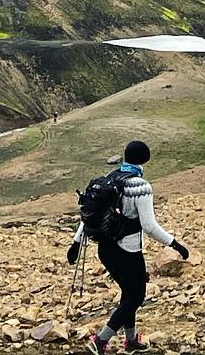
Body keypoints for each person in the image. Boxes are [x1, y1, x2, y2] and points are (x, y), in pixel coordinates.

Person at [69, 140, 189, 354]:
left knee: (128, 293)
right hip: (128, 250)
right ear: (145, 159)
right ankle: (100, 341)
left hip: (105, 248)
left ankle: (131, 339)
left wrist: (76, 243)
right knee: (136, 297)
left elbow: (89, 215)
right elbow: (149, 226)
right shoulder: (140, 186)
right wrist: (175, 244)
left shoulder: (109, 179)